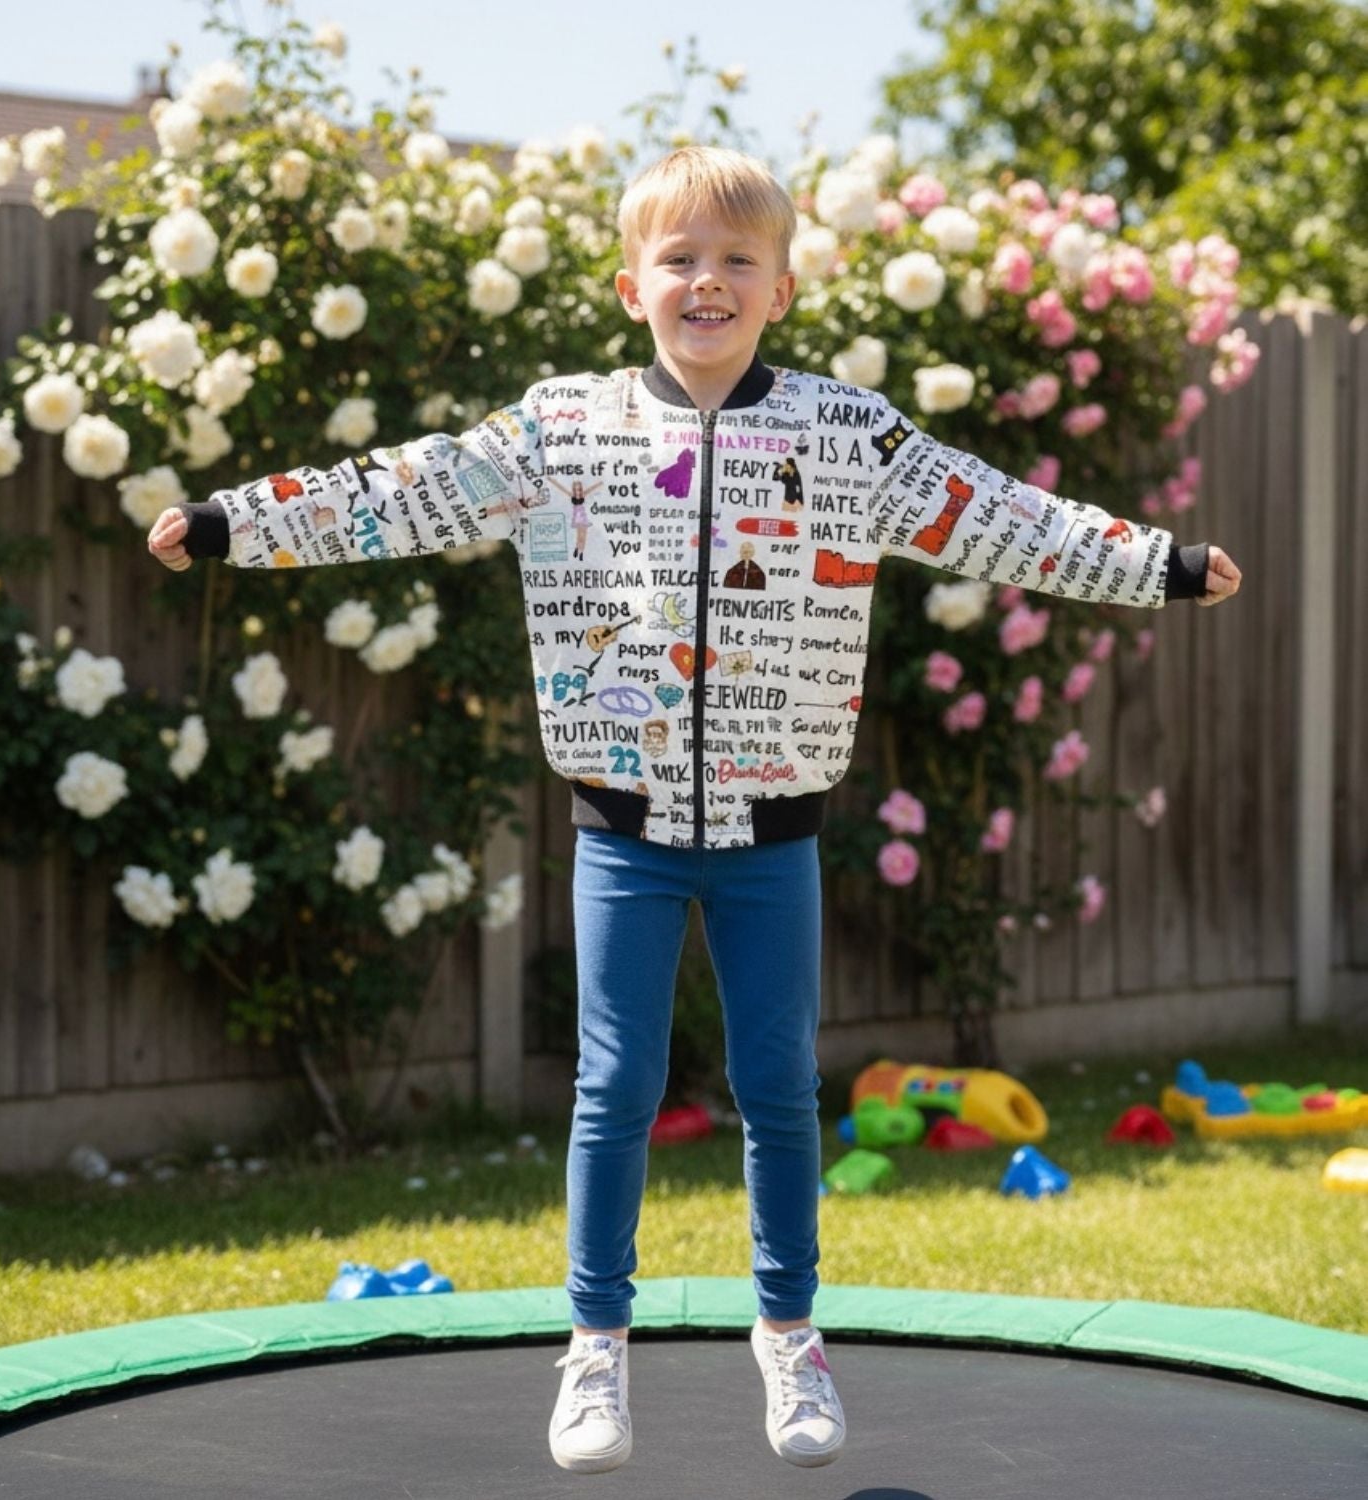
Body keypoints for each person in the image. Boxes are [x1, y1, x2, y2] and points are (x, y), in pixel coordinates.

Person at [148, 145, 1242, 1475]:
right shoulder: (563, 431)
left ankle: (790, 1335)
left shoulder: (848, 438)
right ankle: (593, 1347)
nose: (707, 282)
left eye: (737, 261)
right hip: (623, 832)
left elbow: (999, 516)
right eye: (679, 259)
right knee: (613, 1084)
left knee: (779, 1086)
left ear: (782, 289)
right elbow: (403, 490)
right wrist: (232, 523)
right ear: (632, 287)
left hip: (776, 836)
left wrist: (1160, 563)